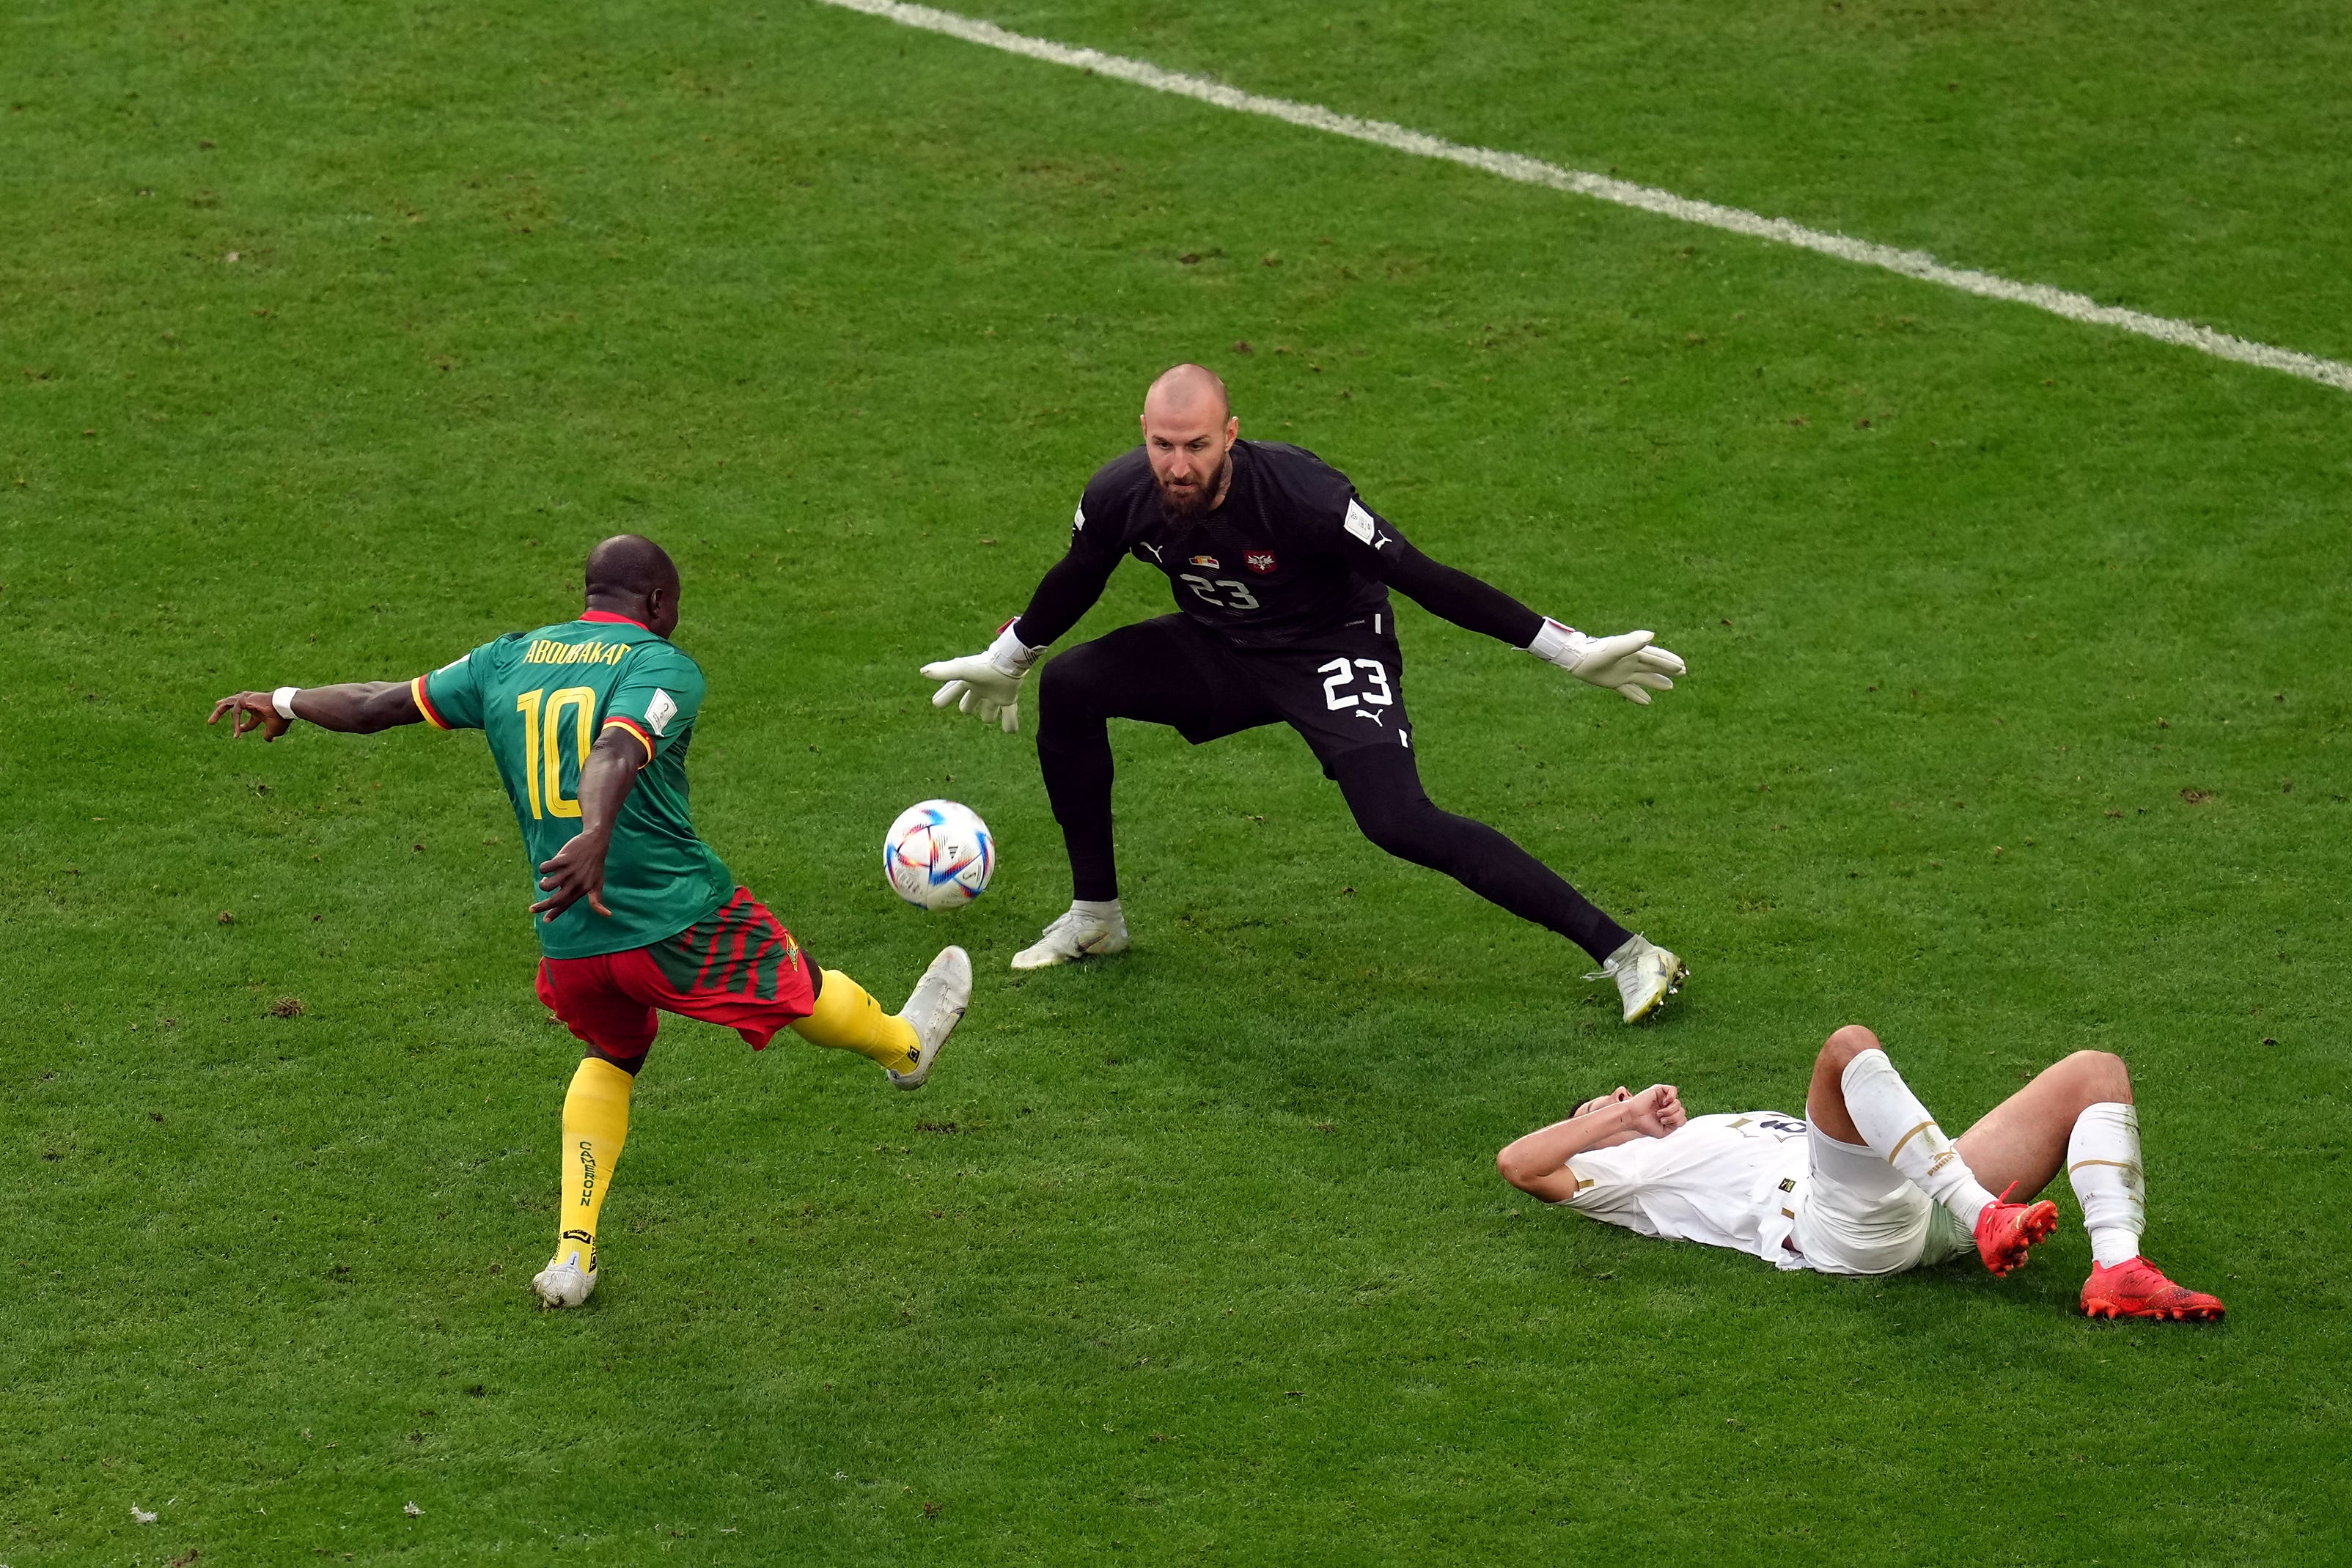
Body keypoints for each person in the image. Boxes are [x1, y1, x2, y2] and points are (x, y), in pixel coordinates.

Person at [208, 535, 972, 1310]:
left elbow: (376, 705)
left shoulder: (506, 659)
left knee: (611, 1051)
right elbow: (615, 750)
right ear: (656, 604)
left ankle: (572, 1256)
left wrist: (282, 699)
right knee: (801, 991)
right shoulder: (659, 667)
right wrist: (597, 834)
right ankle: (907, 1046)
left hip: (567, 926)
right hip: (675, 917)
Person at [920, 364, 1691, 1023]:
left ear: (1230, 435)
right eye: (1162, 445)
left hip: (1331, 648)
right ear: (1144, 435)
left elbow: (1424, 577)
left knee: (1397, 820)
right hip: (1221, 647)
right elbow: (1080, 575)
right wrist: (1010, 657)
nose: (1177, 465)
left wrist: (1568, 650)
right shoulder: (1126, 492)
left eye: (1195, 446)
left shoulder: (1303, 496)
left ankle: (1627, 951)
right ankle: (1096, 919)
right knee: (1074, 683)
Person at [1495, 1024, 2224, 1319]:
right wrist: (1618, 1121)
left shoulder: (1711, 1132)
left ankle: (2117, 1268)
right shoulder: (1621, 1181)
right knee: (1846, 1049)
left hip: (1907, 1199)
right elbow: (1518, 1165)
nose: (1620, 1100)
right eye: (1599, 1107)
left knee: (2094, 1073)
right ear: (1587, 1139)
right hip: (1837, 1231)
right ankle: (1982, 1215)